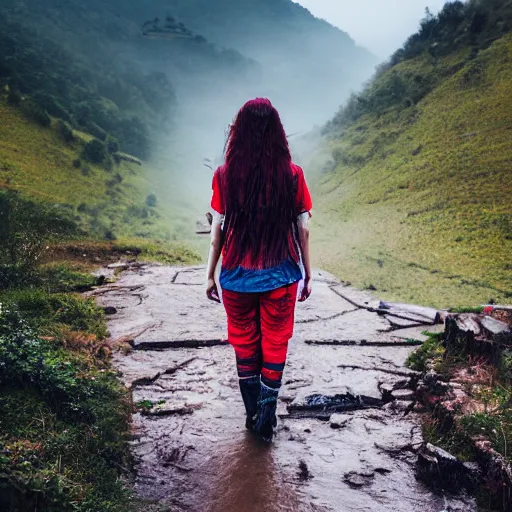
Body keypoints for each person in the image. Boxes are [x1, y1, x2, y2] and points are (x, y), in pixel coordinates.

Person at [205, 98, 313, 442]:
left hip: (236, 277)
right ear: (277, 133)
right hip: (280, 275)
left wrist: (210, 275)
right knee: (276, 342)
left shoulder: (224, 175)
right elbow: (304, 229)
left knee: (245, 344)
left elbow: (217, 230)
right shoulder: (292, 175)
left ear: (240, 132)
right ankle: (268, 412)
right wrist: (307, 273)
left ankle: (253, 415)